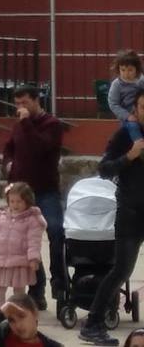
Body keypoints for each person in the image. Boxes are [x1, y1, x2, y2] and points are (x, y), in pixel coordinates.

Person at [78, 88, 144, 346]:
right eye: (142, 106)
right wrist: (129, 156)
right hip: (131, 213)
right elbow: (104, 169)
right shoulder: (125, 135)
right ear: (135, 110)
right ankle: (93, 324)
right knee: (121, 271)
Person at [2, 85, 64, 309]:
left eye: (25, 102)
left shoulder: (52, 124)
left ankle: (60, 281)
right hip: (22, 193)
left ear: (38, 100)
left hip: (46, 191)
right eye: (17, 103)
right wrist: (9, 165)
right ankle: (36, 290)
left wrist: (27, 122)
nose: (21, 107)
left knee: (56, 231)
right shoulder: (19, 125)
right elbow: (10, 148)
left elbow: (41, 147)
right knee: (27, 243)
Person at [0, 183, 46, 308]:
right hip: (2, 261)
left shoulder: (32, 220)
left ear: (27, 202)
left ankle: (18, 312)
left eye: (19, 201)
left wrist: (33, 259)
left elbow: (34, 241)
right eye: (12, 201)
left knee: (19, 293)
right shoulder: (2, 217)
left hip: (20, 262)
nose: (15, 205)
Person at [108, 51, 144, 143]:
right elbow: (113, 104)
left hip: (141, 114)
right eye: (122, 70)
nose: (126, 74)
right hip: (128, 117)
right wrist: (128, 116)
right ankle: (140, 148)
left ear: (137, 69)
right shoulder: (117, 84)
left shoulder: (141, 80)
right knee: (133, 126)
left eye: (130, 70)